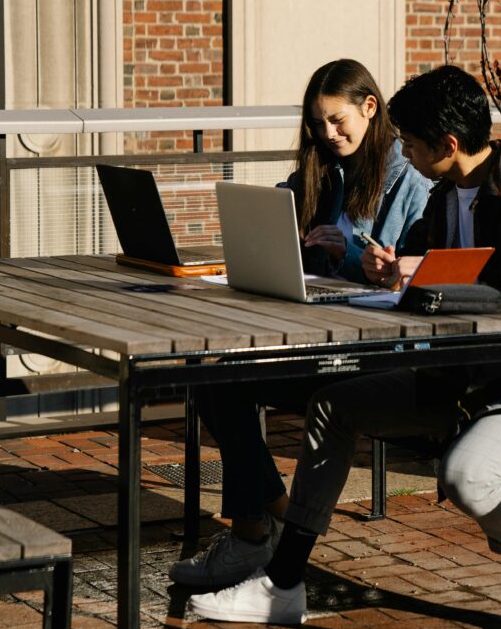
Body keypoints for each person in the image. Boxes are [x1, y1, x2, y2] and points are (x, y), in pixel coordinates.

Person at [186, 65, 501, 629]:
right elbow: (414, 274)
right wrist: (387, 271)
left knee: (465, 475)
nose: (405, 151)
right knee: (333, 403)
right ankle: (284, 584)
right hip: (451, 376)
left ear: (447, 145)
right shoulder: (446, 198)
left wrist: (439, 284)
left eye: (413, 143)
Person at [169, 58, 431, 588]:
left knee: (225, 383)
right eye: (318, 124)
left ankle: (252, 533)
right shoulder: (322, 169)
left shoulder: (409, 176)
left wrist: (354, 259)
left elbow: (413, 276)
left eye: (338, 121)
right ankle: (268, 508)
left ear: (370, 108)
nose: (328, 134)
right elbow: (279, 226)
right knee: (214, 379)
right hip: (318, 329)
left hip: (374, 349)